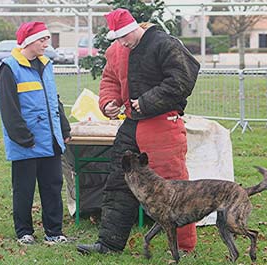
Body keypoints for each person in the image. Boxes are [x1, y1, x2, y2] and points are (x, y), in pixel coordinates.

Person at [77, 8, 200, 255]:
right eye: (118, 38)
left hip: (163, 123)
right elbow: (110, 80)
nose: (123, 42)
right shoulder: (116, 50)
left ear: (136, 27)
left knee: (174, 187)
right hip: (131, 126)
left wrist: (146, 101)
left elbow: (184, 78)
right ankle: (109, 244)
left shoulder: (165, 44)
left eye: (125, 36)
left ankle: (184, 247)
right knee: (118, 182)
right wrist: (108, 102)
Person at [0, 21, 71, 245]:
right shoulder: (9, 68)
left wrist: (64, 128)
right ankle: (24, 232)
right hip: (26, 143)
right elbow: (8, 108)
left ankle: (54, 232)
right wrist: (23, 138)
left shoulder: (46, 65)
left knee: (52, 187)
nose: (46, 44)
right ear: (29, 41)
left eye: (47, 39)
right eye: (42, 40)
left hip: (51, 141)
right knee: (24, 189)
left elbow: (53, 100)